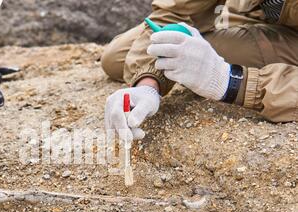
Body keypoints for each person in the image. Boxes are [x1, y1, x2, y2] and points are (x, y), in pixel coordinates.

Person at [102, 0, 298, 143]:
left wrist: (229, 81)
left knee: (195, 49)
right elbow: (176, 11)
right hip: (255, 14)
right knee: (115, 58)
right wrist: (147, 85)